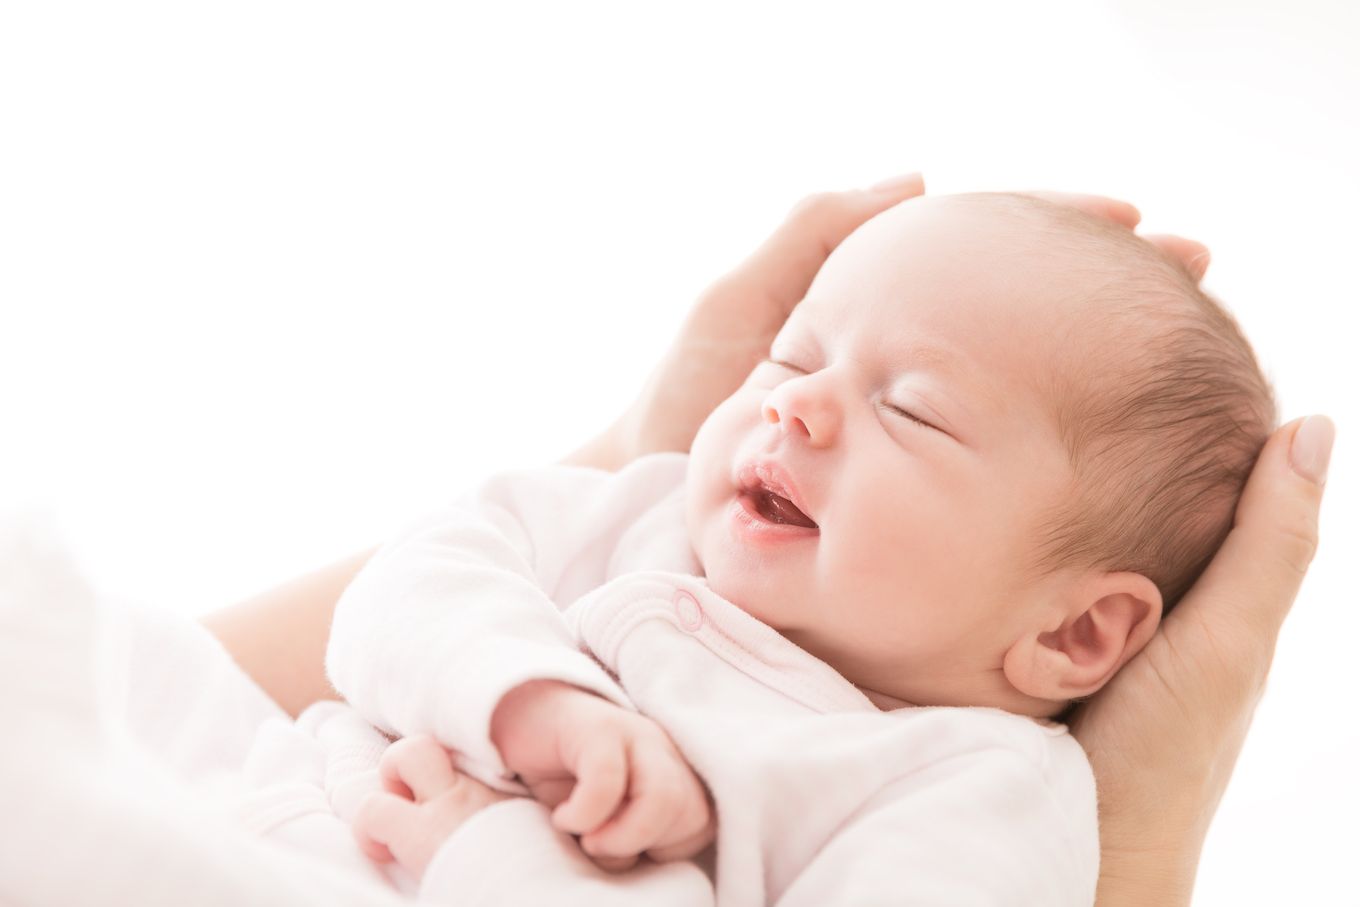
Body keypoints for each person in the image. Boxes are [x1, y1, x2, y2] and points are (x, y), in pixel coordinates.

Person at [200, 175, 1335, 907]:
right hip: (209, 808)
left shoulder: (969, 794)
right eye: (794, 356)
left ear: (1076, 629)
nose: (796, 406)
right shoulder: (641, 516)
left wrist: (501, 864)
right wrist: (535, 702)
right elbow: (403, 590)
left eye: (912, 408)